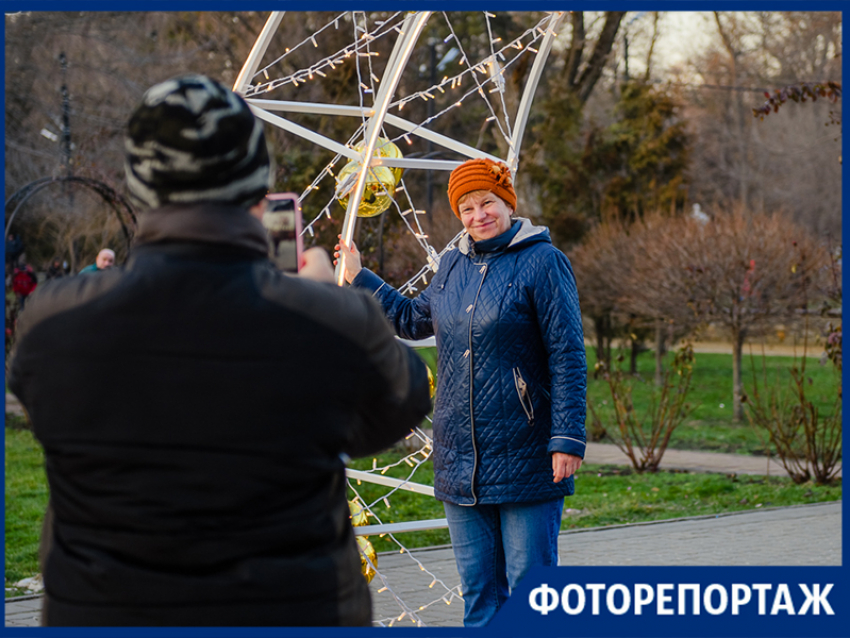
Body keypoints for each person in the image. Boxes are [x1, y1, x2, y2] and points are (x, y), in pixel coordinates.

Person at [8, 74, 431, 627]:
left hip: (105, 610)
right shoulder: (325, 322)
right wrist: (328, 300)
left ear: (140, 184)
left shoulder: (54, 321)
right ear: (259, 187)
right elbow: (402, 400)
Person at [335, 157, 587, 627]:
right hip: (460, 460)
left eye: (487, 202)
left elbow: (567, 353)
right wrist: (359, 276)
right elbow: (412, 320)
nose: (478, 215)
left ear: (507, 203)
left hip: (526, 455)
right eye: (467, 208)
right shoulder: (453, 265)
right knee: (479, 598)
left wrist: (567, 439)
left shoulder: (543, 262)